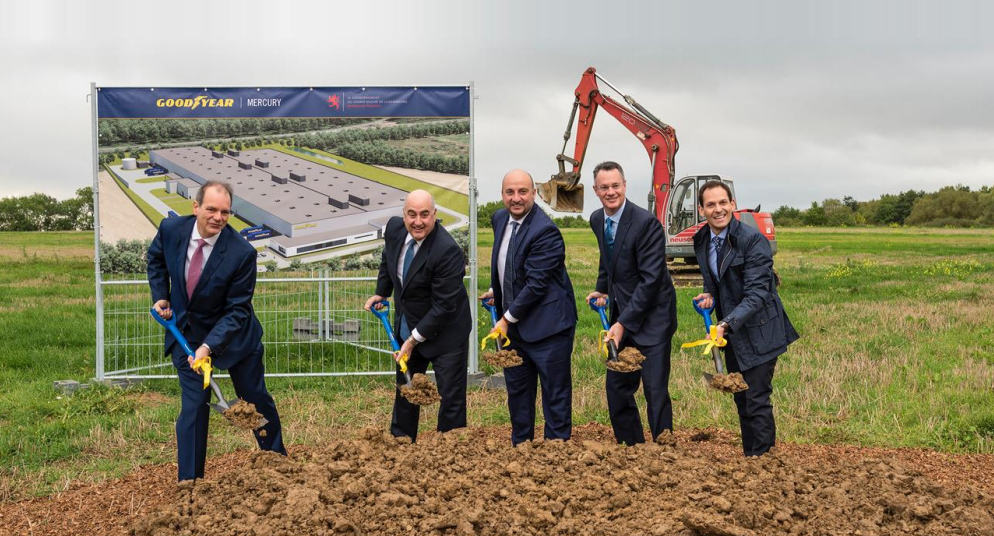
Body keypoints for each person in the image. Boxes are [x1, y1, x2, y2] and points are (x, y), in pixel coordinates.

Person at [147, 181, 285, 481]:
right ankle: (191, 483)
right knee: (195, 407)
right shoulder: (171, 230)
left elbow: (237, 310)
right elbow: (155, 260)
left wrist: (208, 347)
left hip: (236, 340)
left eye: (225, 212)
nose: (218, 217)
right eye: (211, 209)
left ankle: (277, 462)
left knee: (253, 399)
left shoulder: (241, 253)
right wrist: (161, 295)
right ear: (195, 207)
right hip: (186, 335)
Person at [692, 180, 799, 456]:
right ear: (702, 209)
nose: (718, 209)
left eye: (723, 203)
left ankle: (763, 461)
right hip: (732, 332)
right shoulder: (702, 239)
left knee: (756, 398)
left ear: (733, 205)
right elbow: (715, 282)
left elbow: (757, 294)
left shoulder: (752, 241)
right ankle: (750, 458)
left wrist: (725, 324)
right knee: (741, 397)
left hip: (761, 329)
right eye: (711, 204)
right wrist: (708, 296)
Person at [364, 190, 471, 441]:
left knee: (450, 397)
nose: (418, 221)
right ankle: (401, 445)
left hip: (447, 334)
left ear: (435, 215)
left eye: (425, 214)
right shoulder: (394, 230)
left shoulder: (447, 251)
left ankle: (449, 452)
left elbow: (444, 306)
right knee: (406, 390)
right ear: (404, 216)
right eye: (412, 215)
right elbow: (387, 260)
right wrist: (383, 292)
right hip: (408, 324)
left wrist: (412, 341)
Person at [481, 169, 577, 445]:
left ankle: (555, 454)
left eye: (523, 191)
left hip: (549, 328)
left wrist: (506, 318)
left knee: (554, 396)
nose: (516, 198)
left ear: (534, 193)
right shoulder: (500, 219)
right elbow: (505, 264)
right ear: (502, 195)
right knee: (518, 394)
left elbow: (537, 285)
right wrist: (495, 292)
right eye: (510, 192)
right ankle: (520, 451)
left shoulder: (545, 231)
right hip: (515, 330)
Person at [586, 161, 677, 446]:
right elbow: (608, 258)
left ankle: (665, 451)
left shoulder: (646, 223)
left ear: (624, 186)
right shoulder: (597, 219)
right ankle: (632, 448)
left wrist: (622, 323)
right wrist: (603, 289)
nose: (611, 192)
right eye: (604, 187)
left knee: (654, 389)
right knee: (617, 387)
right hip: (622, 314)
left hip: (654, 317)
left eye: (616, 185)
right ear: (595, 190)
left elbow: (651, 281)